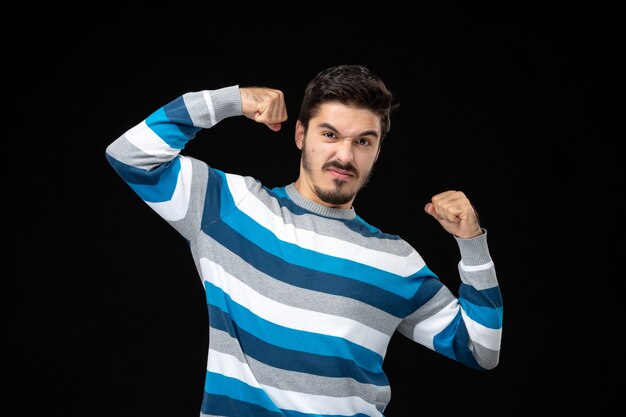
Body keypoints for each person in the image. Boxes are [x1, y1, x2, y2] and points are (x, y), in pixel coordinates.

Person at [105, 64, 503, 417]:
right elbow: (130, 156)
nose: (344, 156)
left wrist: (471, 242)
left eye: (363, 141)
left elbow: (480, 350)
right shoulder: (232, 209)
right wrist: (231, 101)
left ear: (377, 151)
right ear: (300, 134)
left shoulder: (393, 259)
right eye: (330, 134)